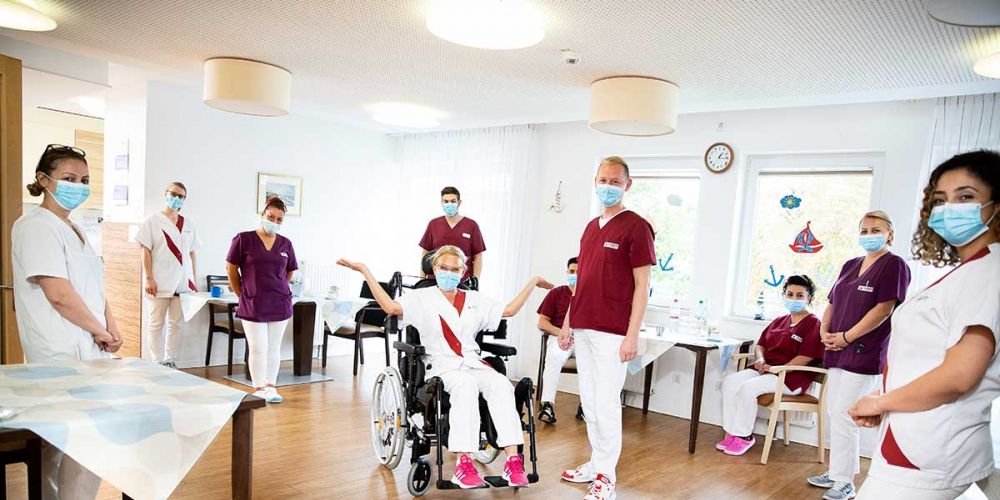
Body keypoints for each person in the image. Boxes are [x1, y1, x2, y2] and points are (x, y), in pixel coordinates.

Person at [850, 150, 1000, 500]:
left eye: (965, 196)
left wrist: (881, 403)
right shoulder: (969, 271)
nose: (949, 209)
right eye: (940, 200)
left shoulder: (988, 272)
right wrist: (883, 397)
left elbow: (959, 375)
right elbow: (926, 359)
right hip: (916, 437)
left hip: (930, 447)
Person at [337, 246, 552, 489]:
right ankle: (463, 465)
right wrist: (365, 270)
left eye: (454, 269)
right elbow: (390, 307)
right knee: (465, 384)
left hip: (471, 362)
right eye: (443, 268)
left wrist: (533, 282)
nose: (448, 273)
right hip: (441, 365)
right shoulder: (421, 297)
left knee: (501, 384)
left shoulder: (475, 299)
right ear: (434, 268)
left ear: (463, 272)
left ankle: (513, 462)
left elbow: (509, 310)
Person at [12, 144, 123, 499]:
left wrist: (111, 326)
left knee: (76, 441)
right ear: (44, 180)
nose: (79, 186)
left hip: (88, 348)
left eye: (85, 180)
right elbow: (58, 293)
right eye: (69, 178)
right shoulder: (34, 226)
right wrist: (100, 330)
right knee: (76, 441)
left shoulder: (76, 229)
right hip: (60, 351)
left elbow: (92, 287)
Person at [558, 156, 655, 500]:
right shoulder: (590, 227)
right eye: (603, 180)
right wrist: (568, 322)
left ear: (628, 185)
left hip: (614, 331)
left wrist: (632, 335)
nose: (608, 186)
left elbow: (642, 285)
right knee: (588, 400)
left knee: (606, 403)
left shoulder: (637, 227)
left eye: (615, 181)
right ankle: (596, 462)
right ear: (595, 181)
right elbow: (581, 281)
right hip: (583, 325)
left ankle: (606, 477)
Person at [806, 211, 910, 500]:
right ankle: (838, 472)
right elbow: (832, 302)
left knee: (845, 413)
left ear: (890, 234)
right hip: (836, 348)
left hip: (864, 351)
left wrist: (847, 337)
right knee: (835, 412)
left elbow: (884, 309)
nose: (868, 235)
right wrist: (824, 332)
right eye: (864, 230)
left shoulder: (894, 265)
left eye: (876, 230)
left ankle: (845, 482)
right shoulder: (850, 265)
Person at [718, 275, 824, 456]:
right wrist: (760, 360)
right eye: (790, 294)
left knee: (748, 388)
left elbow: (806, 356)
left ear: (809, 298)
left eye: (799, 295)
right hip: (765, 371)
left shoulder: (813, 323)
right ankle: (732, 433)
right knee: (730, 382)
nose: (794, 299)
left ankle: (744, 436)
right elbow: (761, 345)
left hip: (790, 378)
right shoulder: (779, 320)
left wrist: (780, 369)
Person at [225, 196, 298, 404]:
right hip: (253, 301)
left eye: (279, 219)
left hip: (280, 302)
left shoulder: (286, 244)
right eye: (271, 217)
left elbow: (289, 271)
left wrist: (279, 288)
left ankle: (271, 387)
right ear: (262, 215)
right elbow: (231, 269)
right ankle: (258, 388)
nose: (274, 222)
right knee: (258, 347)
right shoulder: (243, 239)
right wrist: (242, 293)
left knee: (274, 347)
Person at [137, 181, 200, 368]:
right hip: (159, 280)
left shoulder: (188, 223)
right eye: (173, 194)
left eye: (181, 196)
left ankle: (170, 360)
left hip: (183, 282)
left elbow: (192, 253)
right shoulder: (153, 220)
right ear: (166, 194)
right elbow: (145, 250)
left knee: (176, 323)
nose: (176, 198)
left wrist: (194, 280)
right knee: (156, 323)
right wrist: (148, 277)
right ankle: (157, 361)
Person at [537, 256, 584, 424]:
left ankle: (585, 406)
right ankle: (547, 405)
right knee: (554, 357)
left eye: (578, 272)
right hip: (558, 336)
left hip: (582, 339)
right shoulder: (556, 293)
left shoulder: (591, 295)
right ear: (567, 272)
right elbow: (542, 322)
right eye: (571, 271)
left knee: (593, 361)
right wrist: (562, 334)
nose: (574, 274)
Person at [419, 186, 486, 285]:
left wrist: (475, 282)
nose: (449, 204)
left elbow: (478, 256)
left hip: (461, 281)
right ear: (442, 203)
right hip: (435, 280)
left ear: (459, 202)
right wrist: (421, 280)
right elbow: (425, 253)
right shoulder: (434, 224)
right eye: (446, 201)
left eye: (453, 201)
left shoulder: (471, 225)